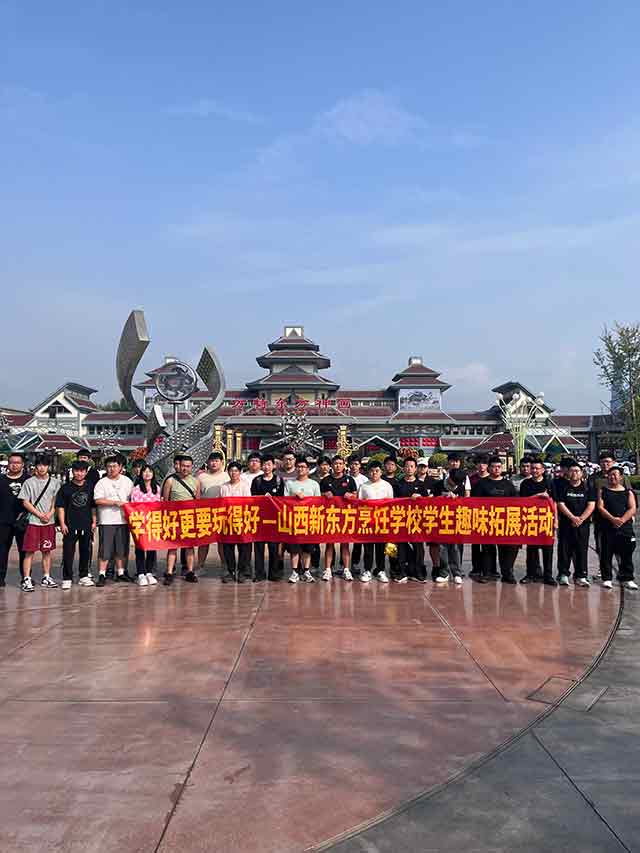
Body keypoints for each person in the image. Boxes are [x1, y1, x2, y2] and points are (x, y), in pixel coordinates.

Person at [18, 454, 61, 592]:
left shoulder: (55, 482)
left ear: (48, 466)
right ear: (36, 466)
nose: (42, 468)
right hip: (33, 522)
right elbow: (25, 502)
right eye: (39, 465)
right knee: (29, 551)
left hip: (49, 522)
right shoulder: (29, 482)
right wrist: (39, 514)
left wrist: (50, 514)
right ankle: (26, 578)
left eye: (45, 465)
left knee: (46, 551)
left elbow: (55, 501)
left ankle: (46, 576)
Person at [472, 456, 518, 584]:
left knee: (506, 549)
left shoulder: (508, 484)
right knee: (487, 549)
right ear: (489, 468)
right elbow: (474, 502)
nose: (496, 469)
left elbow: (516, 503)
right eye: (493, 467)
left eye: (498, 467)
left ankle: (507, 574)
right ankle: (487, 573)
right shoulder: (482, 484)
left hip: (505, 522)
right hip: (486, 521)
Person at [93, 455, 134, 587]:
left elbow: (133, 498)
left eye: (114, 466)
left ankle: (121, 573)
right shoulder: (102, 482)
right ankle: (102, 574)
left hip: (124, 520)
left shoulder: (127, 481)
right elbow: (98, 500)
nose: (111, 469)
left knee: (121, 548)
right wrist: (115, 503)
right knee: (105, 550)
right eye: (109, 466)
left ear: (120, 467)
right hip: (107, 520)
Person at [55, 460, 96, 589]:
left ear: (86, 472)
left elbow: (93, 506)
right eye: (77, 471)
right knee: (68, 552)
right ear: (73, 471)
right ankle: (67, 577)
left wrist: (94, 521)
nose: (79, 473)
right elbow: (60, 507)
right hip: (70, 525)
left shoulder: (90, 487)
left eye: (82, 471)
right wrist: (62, 523)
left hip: (86, 524)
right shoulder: (65, 488)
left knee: (85, 551)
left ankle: (83, 576)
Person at [162, 454, 200, 585]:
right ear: (179, 465)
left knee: (189, 546)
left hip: (189, 518)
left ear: (192, 467)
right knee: (172, 547)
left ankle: (190, 572)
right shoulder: (170, 481)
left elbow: (198, 502)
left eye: (188, 466)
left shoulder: (196, 481)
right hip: (174, 518)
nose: (185, 468)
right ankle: (169, 572)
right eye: (183, 466)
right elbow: (165, 501)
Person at [555, 461, 596, 587]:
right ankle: (563, 574)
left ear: (582, 473)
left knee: (581, 549)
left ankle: (581, 575)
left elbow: (591, 504)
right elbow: (560, 503)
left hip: (583, 524)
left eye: (577, 471)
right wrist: (572, 517)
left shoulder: (588, 487)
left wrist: (581, 519)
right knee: (564, 549)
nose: (574, 473)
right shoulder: (563, 487)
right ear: (568, 473)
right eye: (572, 471)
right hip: (566, 523)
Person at [597, 466, 637, 590]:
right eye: (610, 475)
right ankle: (607, 578)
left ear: (621, 477)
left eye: (615, 474)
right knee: (606, 553)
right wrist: (613, 519)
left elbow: (632, 508)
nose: (612, 477)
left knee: (626, 554)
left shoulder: (628, 492)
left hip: (625, 528)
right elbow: (600, 507)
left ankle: (627, 578)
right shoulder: (603, 491)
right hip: (607, 526)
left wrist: (622, 520)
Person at [519, 458, 557, 586]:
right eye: (533, 468)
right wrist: (539, 496)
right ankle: (531, 574)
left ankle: (548, 575)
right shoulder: (525, 483)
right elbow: (523, 501)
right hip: (531, 520)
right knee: (531, 549)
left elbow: (554, 502)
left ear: (543, 470)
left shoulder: (549, 483)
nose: (534, 470)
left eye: (537, 468)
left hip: (546, 520)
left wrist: (556, 520)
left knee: (548, 548)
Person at [320, 456, 358, 581]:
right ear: (331, 465)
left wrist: (351, 496)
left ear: (344, 465)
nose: (338, 466)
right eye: (335, 463)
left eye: (340, 463)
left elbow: (356, 497)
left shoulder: (350, 480)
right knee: (329, 544)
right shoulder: (325, 480)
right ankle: (327, 570)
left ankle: (346, 569)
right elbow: (318, 499)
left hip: (345, 516)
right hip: (330, 516)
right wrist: (324, 495)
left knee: (345, 544)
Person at [284, 456, 320, 583]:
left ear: (308, 469)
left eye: (303, 467)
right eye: (298, 467)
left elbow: (318, 502)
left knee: (307, 549)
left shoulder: (314, 484)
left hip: (309, 521)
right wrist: (294, 497)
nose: (300, 469)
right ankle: (294, 572)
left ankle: (306, 571)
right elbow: (284, 501)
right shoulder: (290, 484)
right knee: (294, 549)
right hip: (294, 521)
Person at [357, 461, 393, 583]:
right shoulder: (363, 486)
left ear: (381, 472)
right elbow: (359, 504)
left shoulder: (387, 485)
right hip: (368, 522)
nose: (374, 473)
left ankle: (381, 570)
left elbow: (391, 504)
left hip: (382, 522)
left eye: (377, 471)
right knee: (368, 548)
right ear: (368, 472)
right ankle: (367, 570)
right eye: (372, 471)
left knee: (381, 548)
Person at [251, 454, 284, 581]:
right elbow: (252, 498)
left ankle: (273, 573)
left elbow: (282, 499)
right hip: (259, 518)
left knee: (273, 547)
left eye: (269, 464)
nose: (266, 467)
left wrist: (273, 499)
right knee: (259, 547)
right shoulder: (257, 481)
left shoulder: (279, 481)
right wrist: (262, 498)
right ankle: (259, 574)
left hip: (274, 519)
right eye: (264, 464)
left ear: (273, 466)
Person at [197, 451, 230, 572]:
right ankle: (200, 566)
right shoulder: (201, 477)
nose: (214, 463)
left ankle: (225, 566)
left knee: (222, 541)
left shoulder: (227, 476)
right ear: (207, 462)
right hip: (205, 513)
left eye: (216, 461)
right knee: (203, 541)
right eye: (211, 461)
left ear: (222, 462)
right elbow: (197, 495)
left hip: (222, 514)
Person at [0, 451, 29, 586]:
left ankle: (25, 577)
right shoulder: (1, 480)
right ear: (8, 464)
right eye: (12, 462)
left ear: (22, 464)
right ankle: (1, 578)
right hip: (3, 521)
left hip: (23, 521)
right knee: (2, 550)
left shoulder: (28, 480)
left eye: (17, 463)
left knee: (24, 551)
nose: (14, 465)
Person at [220, 461, 252, 583]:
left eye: (236, 471)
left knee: (243, 547)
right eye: (231, 471)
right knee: (228, 547)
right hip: (227, 521)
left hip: (241, 521)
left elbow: (248, 503)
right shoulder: (223, 486)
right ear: (228, 472)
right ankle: (231, 571)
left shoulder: (245, 486)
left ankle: (242, 571)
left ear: (240, 472)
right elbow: (221, 503)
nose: (233, 473)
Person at [130, 464, 161, 586]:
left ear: (153, 474)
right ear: (141, 474)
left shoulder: (157, 488)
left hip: (153, 522)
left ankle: (149, 572)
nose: (147, 473)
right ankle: (141, 573)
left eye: (150, 471)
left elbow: (159, 504)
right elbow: (134, 505)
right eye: (145, 471)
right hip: (140, 522)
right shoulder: (136, 489)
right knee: (140, 548)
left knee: (152, 548)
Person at [440, 468, 467, 584]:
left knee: (455, 548)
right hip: (441, 521)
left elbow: (465, 503)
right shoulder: (439, 485)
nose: (454, 484)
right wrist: (443, 498)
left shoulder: (461, 487)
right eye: (452, 481)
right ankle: (444, 573)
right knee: (442, 548)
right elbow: (430, 500)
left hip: (456, 521)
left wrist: (457, 500)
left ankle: (457, 573)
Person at [469, 454, 493, 579]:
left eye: (484, 463)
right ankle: (476, 568)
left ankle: (491, 569)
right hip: (475, 514)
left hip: (490, 516)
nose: (481, 466)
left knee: (489, 544)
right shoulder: (471, 479)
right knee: (475, 543)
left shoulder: (492, 478)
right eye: (479, 463)